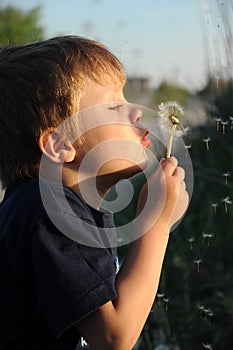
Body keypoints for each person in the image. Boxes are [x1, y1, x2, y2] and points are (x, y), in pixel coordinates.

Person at [0, 35, 189, 350]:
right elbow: (114, 337)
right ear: (60, 144)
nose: (136, 112)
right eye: (115, 105)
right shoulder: (49, 214)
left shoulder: (46, 205)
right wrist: (155, 221)